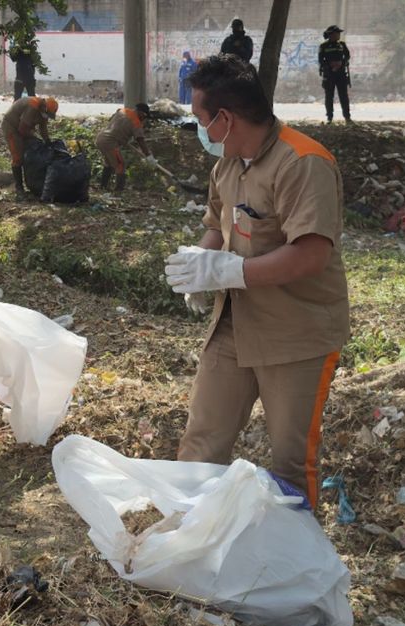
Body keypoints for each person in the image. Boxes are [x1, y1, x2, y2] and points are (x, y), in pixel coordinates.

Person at [165, 54, 350, 508]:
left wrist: (231, 271)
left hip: (296, 334)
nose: (201, 132)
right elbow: (217, 223)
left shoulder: (304, 162)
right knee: (201, 443)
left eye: (202, 120)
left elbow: (311, 254)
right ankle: (187, 540)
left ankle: (297, 562)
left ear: (226, 118)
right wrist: (200, 264)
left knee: (290, 461)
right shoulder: (227, 163)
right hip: (235, 324)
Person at [0, 95, 57, 196]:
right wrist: (34, 138)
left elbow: (43, 129)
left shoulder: (43, 112)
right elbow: (23, 129)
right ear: (44, 107)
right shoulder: (32, 106)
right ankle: (19, 188)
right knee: (18, 156)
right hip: (11, 127)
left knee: (30, 152)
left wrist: (47, 141)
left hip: (22, 129)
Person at [94, 103, 156, 192]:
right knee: (120, 164)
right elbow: (141, 142)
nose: (144, 119)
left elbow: (114, 120)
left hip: (101, 138)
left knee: (109, 162)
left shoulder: (123, 111)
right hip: (109, 143)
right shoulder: (136, 122)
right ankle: (118, 191)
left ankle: (103, 187)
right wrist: (149, 157)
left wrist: (123, 135)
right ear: (141, 113)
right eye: (144, 116)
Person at [318, 26, 351, 124]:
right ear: (331, 34)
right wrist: (330, 66)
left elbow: (347, 56)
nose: (338, 35)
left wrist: (342, 63)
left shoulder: (342, 45)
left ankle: (347, 117)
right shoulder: (323, 46)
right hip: (329, 74)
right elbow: (321, 60)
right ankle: (329, 118)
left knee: (344, 96)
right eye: (337, 33)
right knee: (329, 97)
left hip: (341, 74)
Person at [9, 36, 38, 100]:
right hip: (21, 77)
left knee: (31, 98)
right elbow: (13, 58)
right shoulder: (18, 49)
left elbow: (34, 59)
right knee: (17, 98)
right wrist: (12, 49)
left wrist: (18, 49)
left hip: (27, 76)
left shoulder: (30, 48)